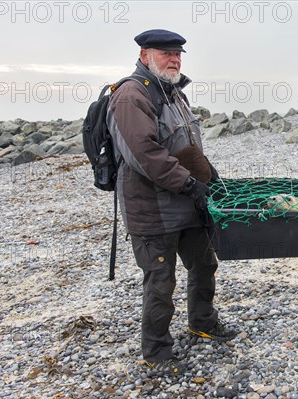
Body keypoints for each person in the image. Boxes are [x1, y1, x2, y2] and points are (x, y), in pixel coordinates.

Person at [107, 29, 237, 374]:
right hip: (153, 210)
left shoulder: (175, 93)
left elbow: (190, 148)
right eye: (166, 54)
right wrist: (190, 184)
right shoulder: (130, 96)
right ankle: (156, 350)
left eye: (178, 54)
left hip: (188, 205)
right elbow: (145, 155)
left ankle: (203, 322)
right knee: (161, 281)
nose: (174, 59)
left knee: (204, 265)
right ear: (145, 53)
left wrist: (212, 178)